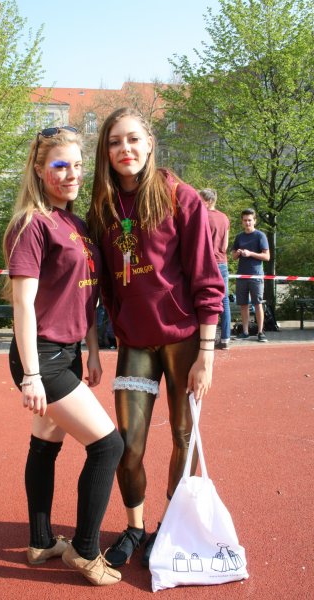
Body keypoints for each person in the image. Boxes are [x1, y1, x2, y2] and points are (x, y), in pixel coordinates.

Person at [87, 107, 225, 568]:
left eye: (132, 139)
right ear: (105, 152)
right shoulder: (103, 208)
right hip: (135, 343)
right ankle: (135, 528)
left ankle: (172, 524)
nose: (124, 149)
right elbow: (102, 284)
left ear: (149, 142)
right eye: (114, 142)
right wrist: (105, 335)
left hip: (184, 340)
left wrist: (206, 355)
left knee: (185, 436)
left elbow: (207, 279)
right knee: (128, 446)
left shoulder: (181, 198)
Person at [2, 126, 124, 586]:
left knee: (45, 445)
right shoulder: (31, 224)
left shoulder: (76, 224)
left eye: (77, 165)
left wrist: (91, 350)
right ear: (39, 169)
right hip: (41, 356)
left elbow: (85, 294)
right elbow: (23, 305)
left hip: (68, 351)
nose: (71, 174)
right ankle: (85, 551)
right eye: (60, 165)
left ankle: (41, 543)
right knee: (108, 445)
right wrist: (31, 375)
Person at [199, 188, 231, 350]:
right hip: (222, 262)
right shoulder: (224, 218)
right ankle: (225, 338)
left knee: (203, 299)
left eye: (201, 200)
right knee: (224, 300)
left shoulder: (202, 215)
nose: (198, 202)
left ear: (209, 201)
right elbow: (226, 245)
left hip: (206, 262)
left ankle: (203, 339)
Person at [231, 208, 270, 342]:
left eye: (249, 220)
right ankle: (245, 331)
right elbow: (233, 256)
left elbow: (267, 257)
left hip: (256, 275)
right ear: (242, 222)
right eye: (245, 220)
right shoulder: (239, 237)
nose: (247, 223)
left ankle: (260, 332)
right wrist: (238, 253)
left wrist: (250, 253)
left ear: (254, 221)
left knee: (258, 303)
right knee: (243, 304)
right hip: (241, 275)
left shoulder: (260, 236)